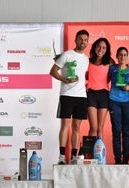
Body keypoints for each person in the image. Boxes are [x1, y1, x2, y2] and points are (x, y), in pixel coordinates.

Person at [50, 29, 89, 164]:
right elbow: (53, 71)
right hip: (67, 95)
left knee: (77, 128)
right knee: (65, 125)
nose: (83, 42)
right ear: (75, 40)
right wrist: (65, 80)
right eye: (80, 39)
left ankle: (73, 157)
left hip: (81, 97)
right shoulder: (66, 55)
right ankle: (61, 157)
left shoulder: (86, 59)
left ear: (87, 42)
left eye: (85, 40)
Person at [108, 47, 129, 164]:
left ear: (128, 57)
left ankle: (125, 161)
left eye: (125, 55)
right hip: (113, 101)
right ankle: (117, 161)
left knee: (126, 132)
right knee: (116, 131)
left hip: (128, 103)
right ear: (117, 56)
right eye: (120, 55)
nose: (122, 57)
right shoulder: (112, 68)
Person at [86, 37, 114, 138]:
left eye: (103, 48)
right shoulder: (87, 61)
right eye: (98, 47)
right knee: (93, 127)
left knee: (100, 127)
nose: (100, 50)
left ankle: (99, 153)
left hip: (104, 95)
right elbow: (84, 76)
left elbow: (116, 75)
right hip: (90, 95)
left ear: (106, 50)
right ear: (94, 47)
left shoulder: (110, 62)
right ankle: (90, 153)